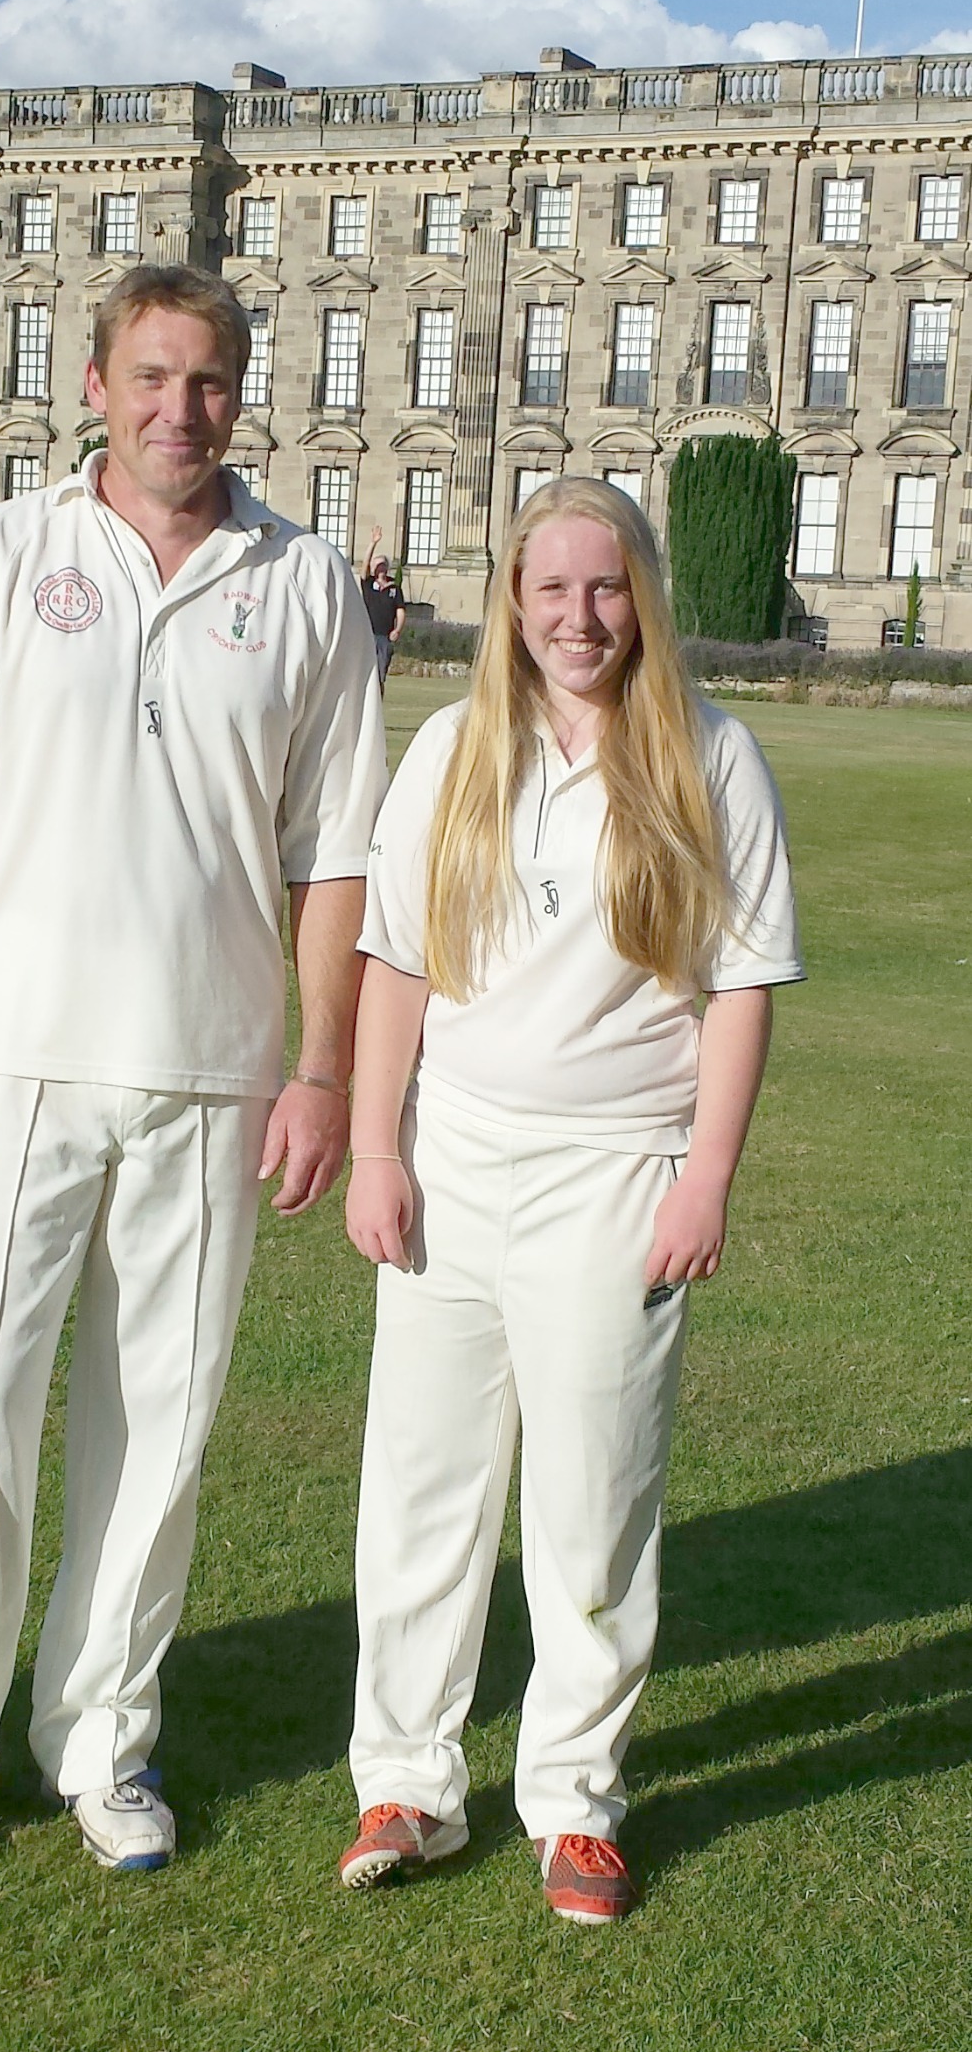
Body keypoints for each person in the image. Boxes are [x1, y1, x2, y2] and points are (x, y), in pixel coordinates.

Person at [0, 264, 384, 1880]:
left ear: (243, 390)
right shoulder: (1, 556)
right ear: (93, 382)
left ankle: (101, 1739)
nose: (180, 410)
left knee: (160, 1426)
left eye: (209, 382)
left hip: (217, 1076)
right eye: (151, 378)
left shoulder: (300, 585)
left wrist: (322, 1074)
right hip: (15, 1067)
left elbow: (337, 855)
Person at [338, 476, 802, 1921]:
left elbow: (737, 987)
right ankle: (406, 1782)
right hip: (453, 1158)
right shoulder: (451, 749)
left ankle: (575, 1800)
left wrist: (704, 1176)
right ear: (510, 599)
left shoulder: (708, 757)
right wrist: (375, 1146)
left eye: (604, 590)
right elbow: (397, 965)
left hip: (618, 1171)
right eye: (550, 591)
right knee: (421, 1490)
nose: (577, 618)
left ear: (640, 598)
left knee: (591, 1498)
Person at [360, 525, 406, 691]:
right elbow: (363, 567)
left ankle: (378, 704)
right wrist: (373, 543)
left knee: (380, 676)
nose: (379, 567)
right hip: (367, 635)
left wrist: (397, 629)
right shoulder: (368, 583)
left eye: (382, 565)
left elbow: (400, 611)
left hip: (384, 637)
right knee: (363, 674)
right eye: (376, 565)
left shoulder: (394, 588)